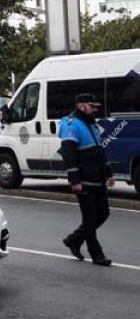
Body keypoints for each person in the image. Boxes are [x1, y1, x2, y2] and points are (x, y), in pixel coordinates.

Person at [59, 93, 115, 266]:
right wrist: (74, 180)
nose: (95, 109)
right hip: (84, 180)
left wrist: (108, 173)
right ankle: (96, 254)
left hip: (97, 177)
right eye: (92, 106)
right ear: (82, 106)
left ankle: (74, 239)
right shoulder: (71, 125)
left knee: (103, 214)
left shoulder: (90, 124)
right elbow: (68, 154)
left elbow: (98, 151)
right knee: (90, 219)